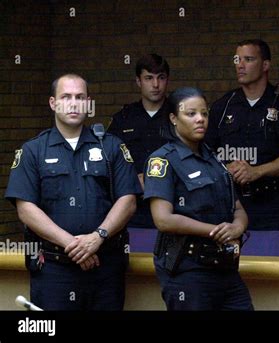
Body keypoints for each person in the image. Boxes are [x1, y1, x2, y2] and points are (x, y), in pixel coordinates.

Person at [5, 73, 142, 310]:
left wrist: (97, 237)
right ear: (53, 103)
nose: (73, 103)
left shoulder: (111, 146)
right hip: (54, 271)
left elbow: (128, 200)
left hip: (105, 269)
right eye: (66, 96)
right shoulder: (33, 150)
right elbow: (26, 209)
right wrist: (75, 245)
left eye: (80, 97)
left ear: (89, 103)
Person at [144, 87, 253, 310]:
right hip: (188, 270)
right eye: (191, 114)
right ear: (174, 118)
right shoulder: (162, 160)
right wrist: (217, 232)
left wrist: (237, 228)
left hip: (225, 269)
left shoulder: (214, 158)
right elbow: (163, 219)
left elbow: (237, 208)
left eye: (204, 113)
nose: (200, 119)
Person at [206, 39, 279, 241]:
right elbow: (203, 153)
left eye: (248, 59)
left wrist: (257, 171)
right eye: (237, 59)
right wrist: (225, 169)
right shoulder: (222, 106)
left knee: (274, 265)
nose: (240, 65)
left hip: (274, 206)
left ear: (265, 65)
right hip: (232, 204)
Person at [108, 54, 173, 228]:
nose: (156, 85)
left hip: (173, 205)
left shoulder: (180, 116)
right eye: (149, 78)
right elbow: (109, 162)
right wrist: (132, 179)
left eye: (161, 78)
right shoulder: (123, 118)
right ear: (138, 81)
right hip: (131, 208)